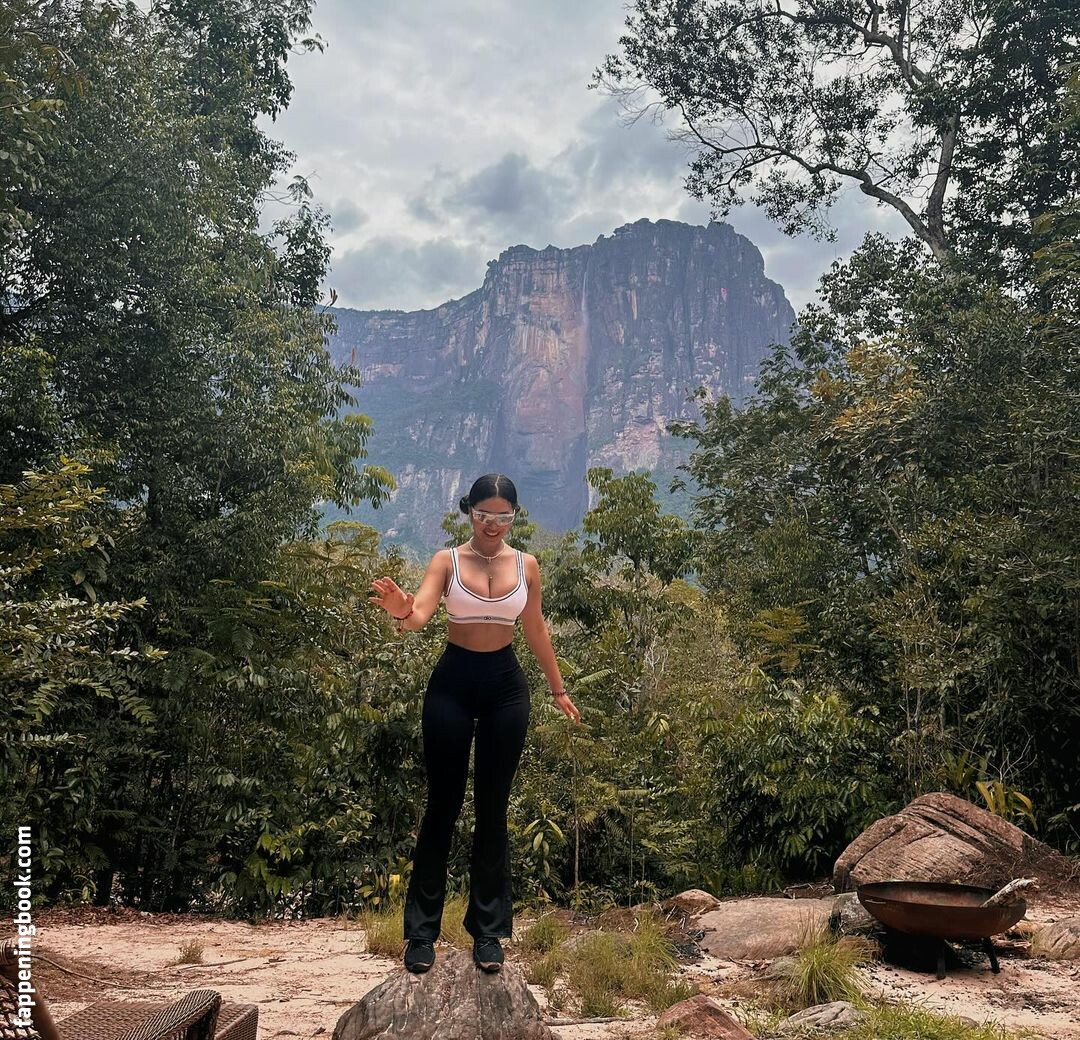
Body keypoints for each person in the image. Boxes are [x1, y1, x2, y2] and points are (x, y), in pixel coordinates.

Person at [369, 473, 580, 975]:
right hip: (453, 683)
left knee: (492, 806)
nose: (492, 524)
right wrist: (401, 612)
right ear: (470, 511)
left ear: (514, 517)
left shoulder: (527, 565)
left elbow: (535, 628)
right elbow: (420, 614)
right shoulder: (447, 560)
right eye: (484, 514)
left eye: (503, 516)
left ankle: (488, 932)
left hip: (505, 686)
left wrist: (558, 689)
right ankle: (421, 933)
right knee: (442, 804)